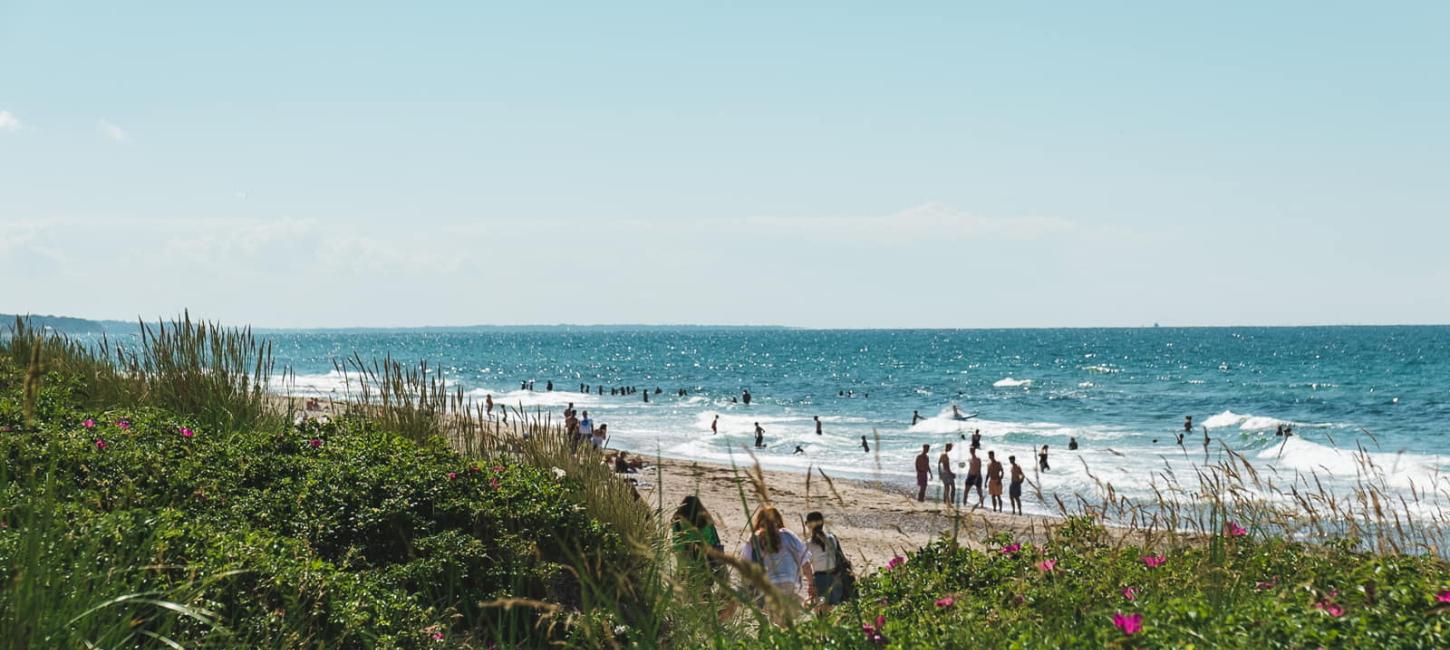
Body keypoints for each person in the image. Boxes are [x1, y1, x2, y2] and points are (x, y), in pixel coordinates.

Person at [738, 506, 816, 620]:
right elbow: (806, 563)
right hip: (789, 583)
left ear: (759, 522)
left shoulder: (754, 539)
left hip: (767, 588)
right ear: (779, 520)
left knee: (773, 620)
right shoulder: (789, 535)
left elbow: (744, 567)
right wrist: (811, 584)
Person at [672, 496, 726, 588]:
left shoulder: (677, 523)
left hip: (685, 567)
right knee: (704, 594)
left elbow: (677, 547)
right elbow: (713, 542)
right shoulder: (707, 522)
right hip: (705, 566)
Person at [804, 512, 850, 607]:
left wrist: (810, 583)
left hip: (820, 579)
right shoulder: (832, 538)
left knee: (821, 610)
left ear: (808, 525)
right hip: (835, 577)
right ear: (823, 523)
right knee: (834, 607)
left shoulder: (808, 544)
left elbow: (807, 564)